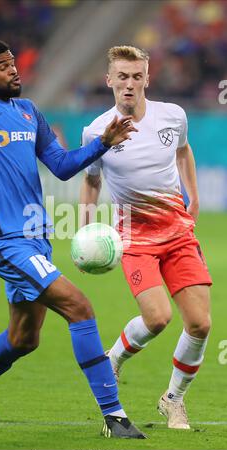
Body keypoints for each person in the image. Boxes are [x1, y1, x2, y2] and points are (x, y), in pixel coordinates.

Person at [0, 24, 146, 439]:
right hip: (3, 240)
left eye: (14, 63)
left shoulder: (29, 111)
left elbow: (63, 164)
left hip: (35, 239)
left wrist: (103, 142)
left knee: (24, 338)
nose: (14, 71)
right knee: (80, 307)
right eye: (2, 66)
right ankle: (115, 416)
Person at [80, 45, 212, 430]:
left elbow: (184, 153)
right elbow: (91, 181)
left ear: (147, 79)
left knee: (201, 324)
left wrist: (195, 195)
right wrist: (87, 227)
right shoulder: (97, 130)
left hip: (178, 234)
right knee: (157, 318)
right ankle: (115, 358)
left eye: (137, 76)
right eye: (122, 76)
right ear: (109, 80)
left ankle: (173, 400)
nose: (129, 84)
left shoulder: (173, 116)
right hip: (135, 239)